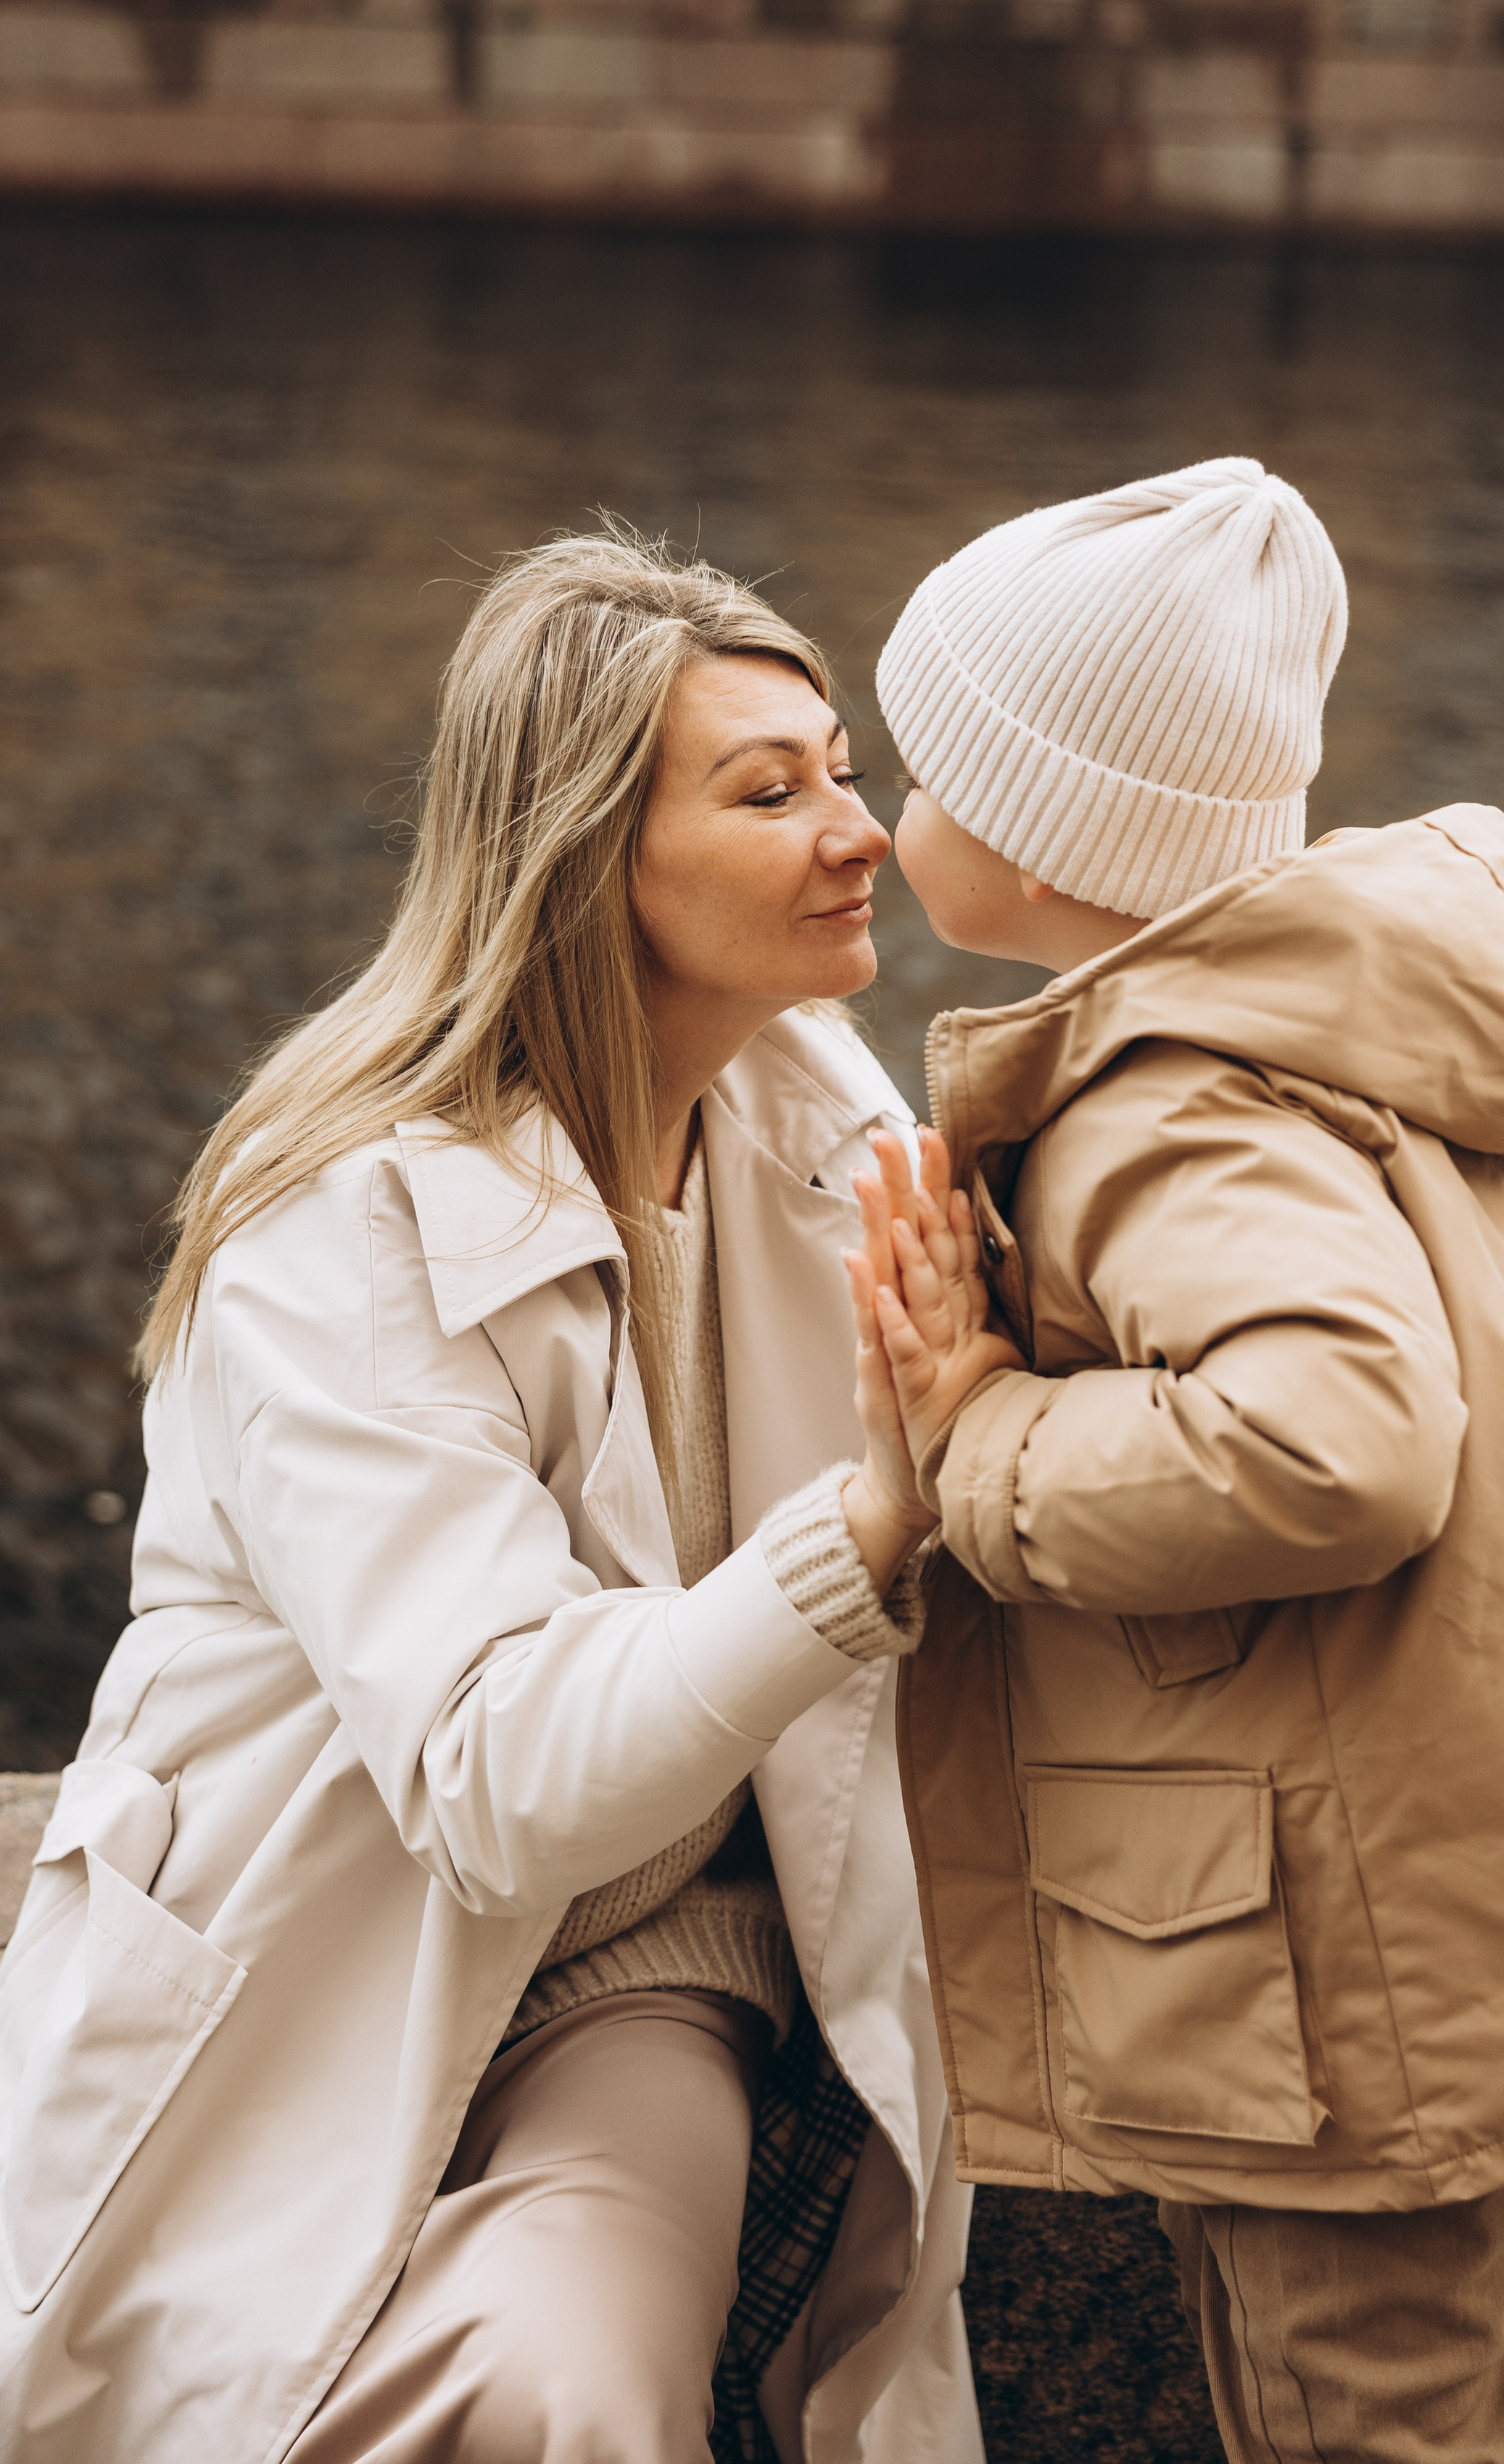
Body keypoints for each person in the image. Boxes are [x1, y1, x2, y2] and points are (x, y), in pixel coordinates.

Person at [841, 456, 1504, 2464]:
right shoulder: (1421, 1004)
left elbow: (1339, 1450)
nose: (884, 816)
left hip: (1338, 1943)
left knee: (1370, 2416)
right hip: (1470, 1855)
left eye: (928, 775)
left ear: (1052, 842)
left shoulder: (1176, 1116)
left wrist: (980, 1436)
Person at [0, 533, 983, 2464]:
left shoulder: (829, 1127)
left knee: (572, 2386)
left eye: (842, 769)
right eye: (769, 793)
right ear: (582, 857)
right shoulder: (342, 1233)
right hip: (306, 1971)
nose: (857, 831)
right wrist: (868, 1531)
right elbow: (493, 1776)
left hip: (642, 1973)